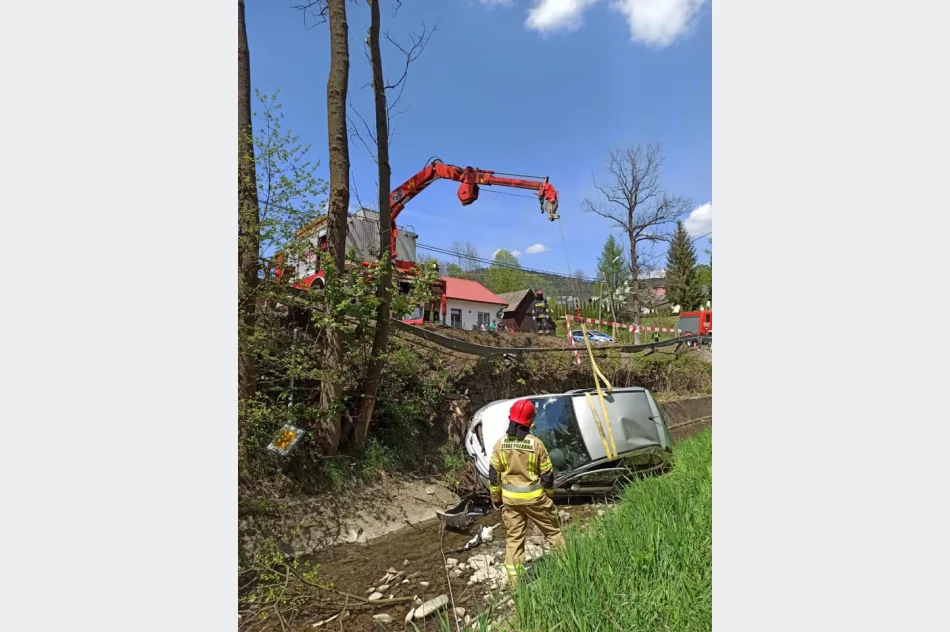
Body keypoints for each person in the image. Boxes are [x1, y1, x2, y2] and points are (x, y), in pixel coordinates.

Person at [488, 399, 565, 590]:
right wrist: (549, 496)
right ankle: (567, 568)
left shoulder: (500, 444)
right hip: (535, 499)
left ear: (510, 419)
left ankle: (515, 584)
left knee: (514, 539)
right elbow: (547, 475)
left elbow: (493, 476)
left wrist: (496, 499)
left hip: (510, 501)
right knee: (553, 533)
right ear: (531, 421)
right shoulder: (536, 444)